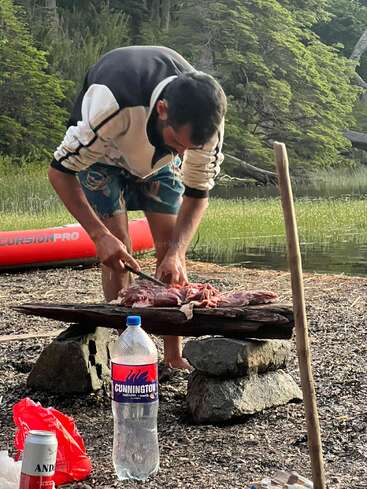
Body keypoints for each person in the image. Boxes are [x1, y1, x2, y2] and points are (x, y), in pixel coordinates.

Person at [48, 45, 227, 370]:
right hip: (103, 156)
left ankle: (173, 356)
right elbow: (60, 172)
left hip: (156, 163)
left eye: (191, 148)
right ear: (162, 109)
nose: (182, 153)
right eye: (178, 142)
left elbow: (198, 191)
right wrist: (98, 236)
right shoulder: (110, 104)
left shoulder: (206, 123)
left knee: (171, 254)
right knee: (119, 255)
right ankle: (126, 354)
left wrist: (176, 250)